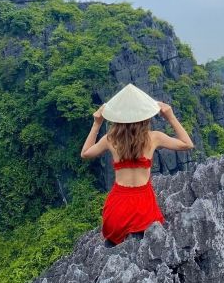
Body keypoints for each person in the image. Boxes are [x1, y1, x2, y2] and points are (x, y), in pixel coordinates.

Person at [80, 82, 194, 246]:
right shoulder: (154, 137)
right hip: (144, 210)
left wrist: (97, 123)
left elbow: (85, 153)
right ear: (144, 116)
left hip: (116, 211)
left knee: (113, 245)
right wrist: (170, 116)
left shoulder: (110, 139)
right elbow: (187, 144)